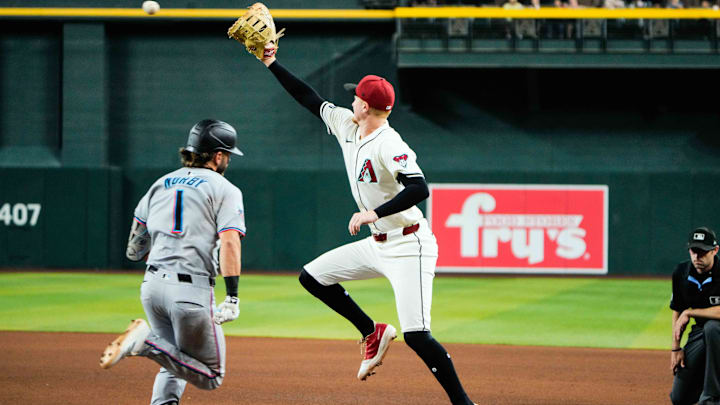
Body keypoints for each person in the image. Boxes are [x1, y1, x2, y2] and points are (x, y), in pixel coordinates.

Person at [251, 48, 476, 405]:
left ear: (366, 108)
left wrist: (373, 213)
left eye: (356, 96)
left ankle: (463, 403)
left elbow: (419, 188)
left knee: (417, 335)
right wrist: (271, 63)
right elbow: (308, 97)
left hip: (408, 245)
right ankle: (372, 332)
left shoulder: (390, 143)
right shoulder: (346, 124)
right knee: (312, 277)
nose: (351, 99)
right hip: (377, 243)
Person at [99, 119, 247, 405]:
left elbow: (134, 248)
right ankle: (145, 343)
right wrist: (232, 296)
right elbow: (230, 241)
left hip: (152, 286)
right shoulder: (225, 189)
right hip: (189, 293)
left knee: (176, 359)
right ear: (218, 156)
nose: (228, 159)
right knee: (211, 375)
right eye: (227, 154)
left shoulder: (159, 184)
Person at [670, 226, 720, 405]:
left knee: (713, 327)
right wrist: (676, 348)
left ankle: (712, 398)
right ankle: (704, 388)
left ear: (715, 250)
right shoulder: (681, 272)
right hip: (699, 332)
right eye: (694, 250)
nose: (697, 256)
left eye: (703, 251)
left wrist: (691, 312)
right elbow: (677, 308)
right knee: (679, 398)